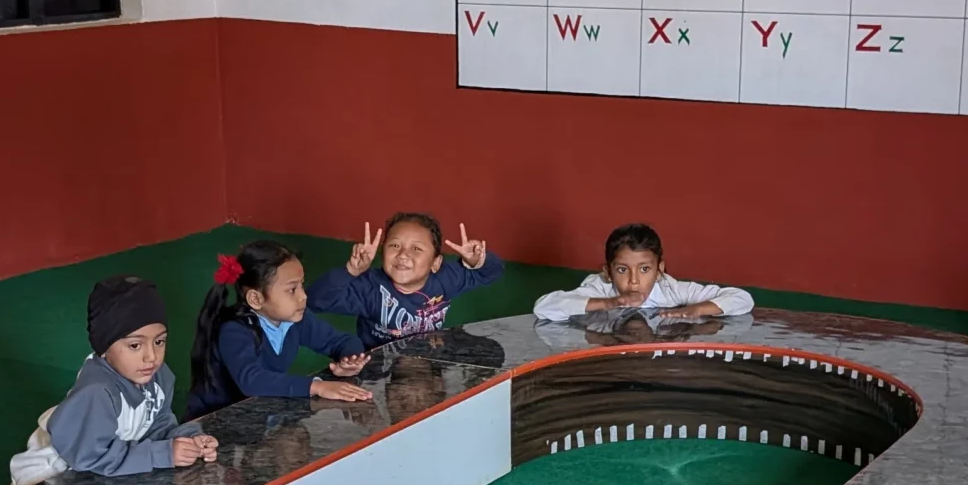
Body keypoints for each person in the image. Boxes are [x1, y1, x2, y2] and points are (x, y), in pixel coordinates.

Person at [19, 275, 220, 484]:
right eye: (135, 345)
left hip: (100, 472)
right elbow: (91, 456)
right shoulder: (97, 392)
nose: (151, 356)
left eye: (159, 341)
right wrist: (162, 454)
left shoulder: (158, 376)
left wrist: (188, 439)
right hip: (49, 476)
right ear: (104, 348)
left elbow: (157, 426)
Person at [187, 239, 372, 413]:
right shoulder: (234, 330)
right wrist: (317, 386)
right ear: (256, 299)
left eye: (302, 285)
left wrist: (351, 359)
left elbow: (340, 341)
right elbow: (252, 380)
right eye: (292, 290)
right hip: (212, 426)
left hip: (258, 416)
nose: (303, 296)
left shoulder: (295, 319)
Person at [307, 214, 502, 348]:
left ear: (435, 262)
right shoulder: (370, 287)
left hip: (428, 365)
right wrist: (350, 271)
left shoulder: (444, 278)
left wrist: (478, 260)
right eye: (394, 245)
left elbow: (490, 272)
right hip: (378, 371)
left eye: (416, 249)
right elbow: (315, 300)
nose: (403, 255)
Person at [532, 223, 756, 325]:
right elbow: (543, 308)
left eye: (645, 269)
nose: (634, 280)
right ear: (607, 272)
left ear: (659, 271)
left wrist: (697, 309)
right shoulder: (601, 288)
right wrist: (609, 303)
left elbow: (742, 299)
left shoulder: (671, 290)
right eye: (622, 270)